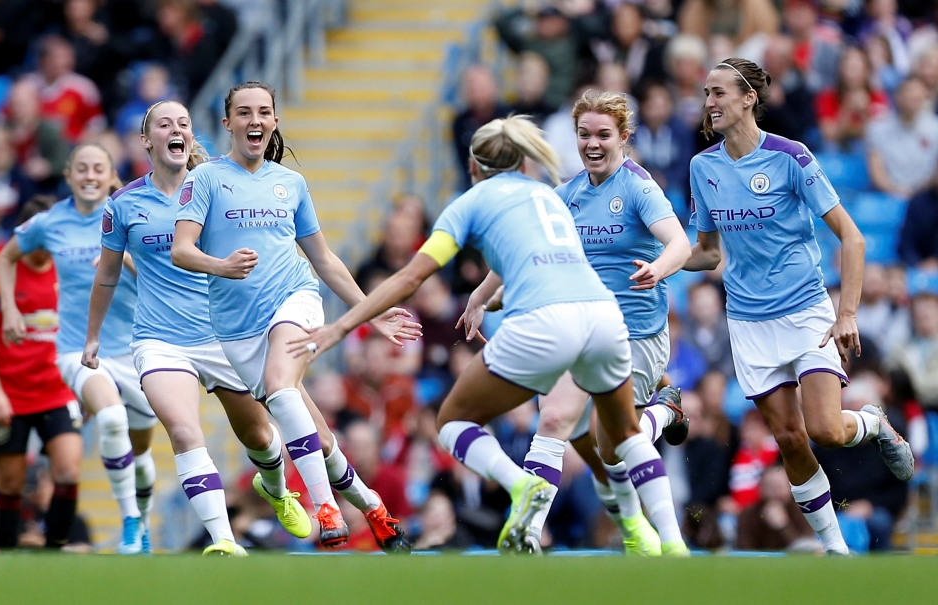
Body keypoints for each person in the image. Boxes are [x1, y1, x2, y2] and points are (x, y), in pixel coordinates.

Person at [287, 115, 689, 555]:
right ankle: (671, 546)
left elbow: (411, 277)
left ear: (474, 166)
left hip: (548, 322)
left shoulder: (472, 203)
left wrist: (343, 325)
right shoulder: (550, 197)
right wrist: (483, 297)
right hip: (605, 316)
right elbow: (537, 261)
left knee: (452, 421)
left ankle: (522, 488)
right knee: (615, 435)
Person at [86, 100, 412, 555]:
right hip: (162, 339)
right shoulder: (127, 204)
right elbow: (113, 273)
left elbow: (314, 254)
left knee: (285, 436)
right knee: (184, 431)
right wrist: (93, 336)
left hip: (229, 332)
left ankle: (301, 494)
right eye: (164, 124)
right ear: (146, 140)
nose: (175, 129)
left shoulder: (224, 181)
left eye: (183, 122)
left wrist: (370, 310)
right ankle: (224, 540)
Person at [171, 81, 420, 548]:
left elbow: (324, 260)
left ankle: (325, 508)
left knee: (283, 389)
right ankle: (374, 508)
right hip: (237, 331)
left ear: (275, 121)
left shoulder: (291, 184)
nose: (255, 121)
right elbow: (182, 251)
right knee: (320, 442)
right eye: (244, 113)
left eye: (263, 112)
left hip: (295, 297)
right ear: (228, 123)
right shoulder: (204, 180)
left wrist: (375, 312)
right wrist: (220, 265)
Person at [684, 57, 914, 555]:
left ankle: (873, 422)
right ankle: (835, 551)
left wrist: (846, 313)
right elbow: (706, 251)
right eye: (706, 93)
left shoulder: (791, 156)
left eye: (719, 92)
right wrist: (655, 261)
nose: (709, 102)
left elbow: (852, 239)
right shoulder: (703, 167)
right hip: (748, 320)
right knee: (789, 439)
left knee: (827, 431)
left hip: (807, 309)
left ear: (748, 98)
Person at [459, 92, 692, 555]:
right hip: (582, 327)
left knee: (614, 447)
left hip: (636, 333)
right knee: (556, 418)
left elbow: (680, 245)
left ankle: (666, 415)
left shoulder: (639, 187)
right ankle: (527, 531)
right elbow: (524, 250)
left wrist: (657, 268)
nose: (592, 143)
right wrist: (480, 298)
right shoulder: (568, 193)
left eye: (603, 134)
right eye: (584, 134)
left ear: (624, 137)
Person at [0, 143, 157, 555]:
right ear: (68, 176)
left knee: (141, 450)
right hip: (78, 349)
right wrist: (10, 308)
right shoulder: (50, 223)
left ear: (110, 177)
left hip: (136, 349)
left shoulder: (133, 215)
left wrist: (120, 263)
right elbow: (5, 258)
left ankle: (144, 522)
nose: (89, 175)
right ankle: (129, 523)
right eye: (81, 168)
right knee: (113, 420)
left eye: (97, 168)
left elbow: (158, 275)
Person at [0, 196, 82, 550]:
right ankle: (7, 560)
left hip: (57, 391)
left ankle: (55, 551)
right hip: (12, 394)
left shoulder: (68, 269)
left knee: (68, 471)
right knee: (9, 484)